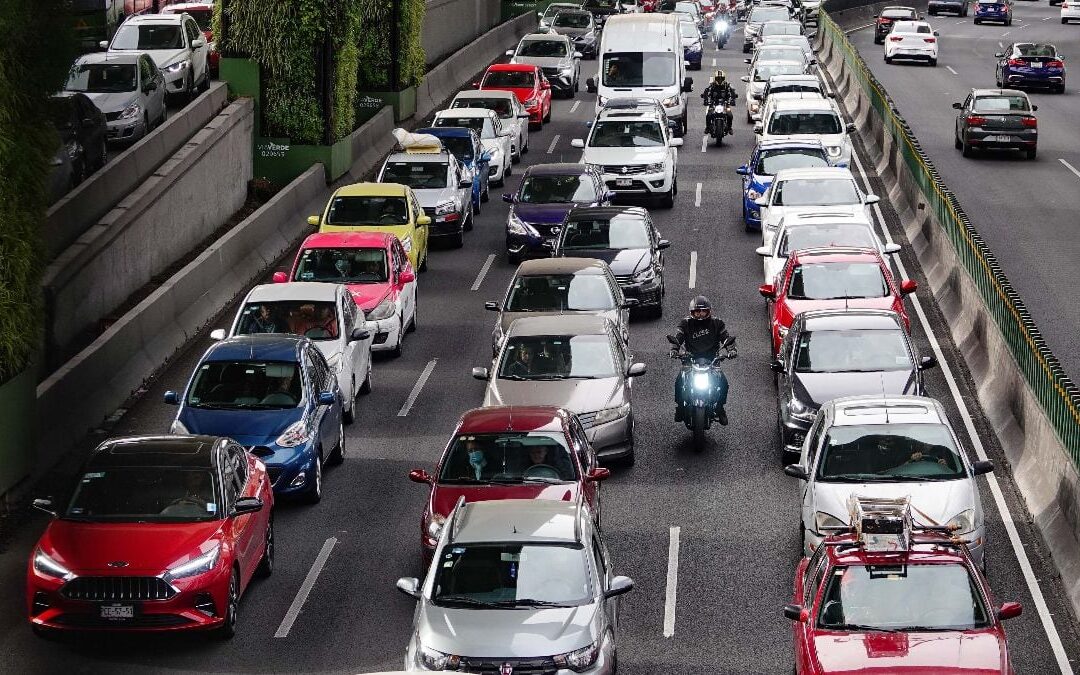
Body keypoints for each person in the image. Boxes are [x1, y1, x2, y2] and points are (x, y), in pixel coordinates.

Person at [670, 295, 736, 425]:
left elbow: (726, 338)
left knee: (723, 383)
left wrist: (732, 350)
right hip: (690, 360)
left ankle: (720, 408)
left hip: (712, 360)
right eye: (697, 311)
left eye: (703, 311)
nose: (700, 314)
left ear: (709, 311)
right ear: (692, 312)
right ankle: (679, 408)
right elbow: (677, 338)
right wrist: (674, 350)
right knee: (679, 381)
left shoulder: (717, 323)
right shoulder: (685, 323)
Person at [701, 70, 736, 137]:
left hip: (725, 104)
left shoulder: (727, 86)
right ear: (715, 78)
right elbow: (706, 92)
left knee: (729, 115)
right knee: (708, 115)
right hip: (714, 104)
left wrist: (732, 100)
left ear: (724, 79)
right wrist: (706, 100)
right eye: (718, 79)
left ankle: (729, 128)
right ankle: (708, 128)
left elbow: (732, 93)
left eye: (721, 79)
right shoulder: (712, 86)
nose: (719, 80)